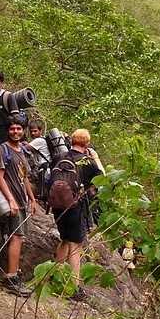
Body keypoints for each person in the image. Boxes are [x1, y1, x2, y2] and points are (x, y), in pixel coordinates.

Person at [51, 128, 103, 301]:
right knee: (76, 246)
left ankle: (54, 276)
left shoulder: (60, 157)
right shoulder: (87, 161)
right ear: (87, 143)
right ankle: (74, 288)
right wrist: (95, 157)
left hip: (58, 205)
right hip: (76, 207)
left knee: (64, 239)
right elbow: (102, 179)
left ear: (72, 141)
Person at [0, 118, 38, 295]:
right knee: (16, 237)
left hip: (22, 201)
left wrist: (32, 199)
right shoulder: (1, 150)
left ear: (23, 131)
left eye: (18, 128)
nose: (15, 132)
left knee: (20, 238)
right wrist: (10, 200)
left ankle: (15, 274)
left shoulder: (22, 151)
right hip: (11, 201)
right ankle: (10, 278)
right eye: (12, 128)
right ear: (7, 130)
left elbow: (24, 177)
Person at [23, 119, 52, 201]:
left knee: (42, 192)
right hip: (44, 169)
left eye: (35, 131)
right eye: (31, 131)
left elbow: (25, 148)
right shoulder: (42, 140)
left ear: (41, 131)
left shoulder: (39, 140)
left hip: (44, 170)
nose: (33, 133)